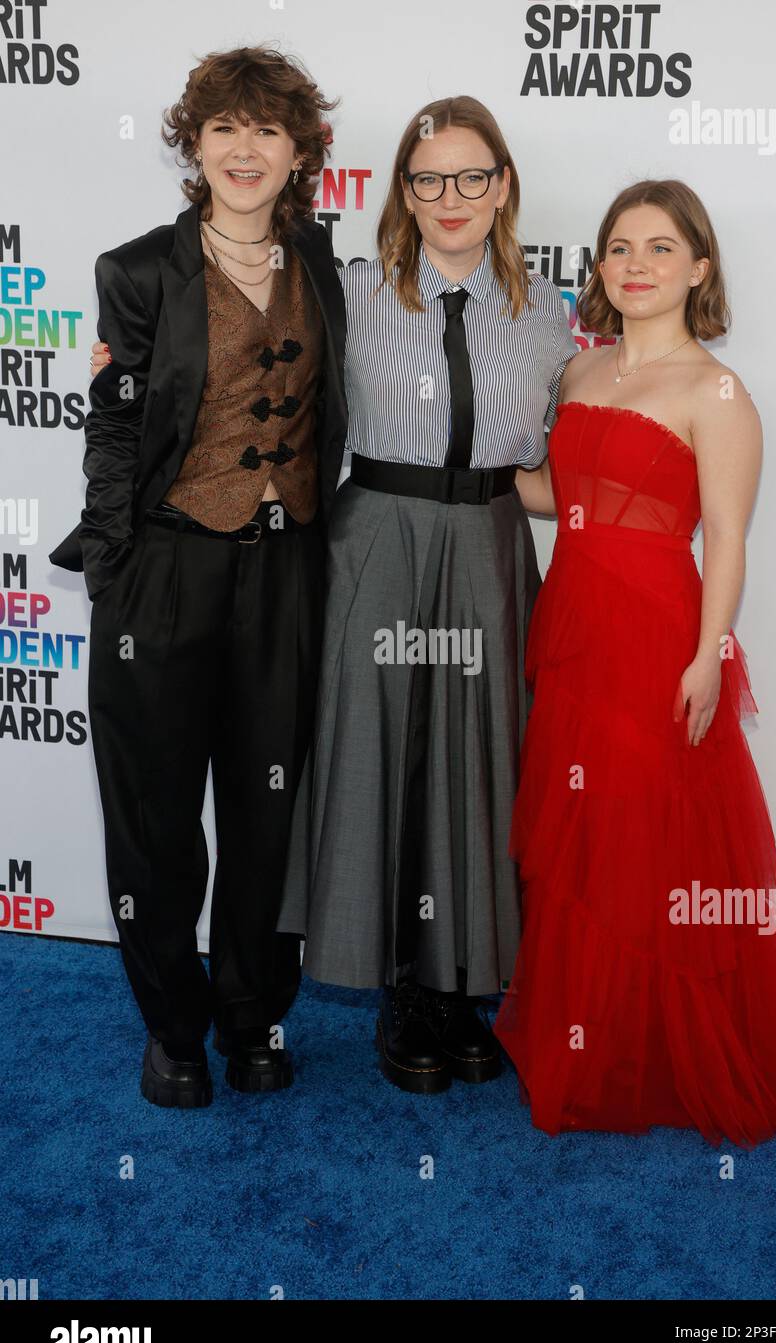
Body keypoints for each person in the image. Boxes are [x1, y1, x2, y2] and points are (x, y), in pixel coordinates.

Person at [496, 179, 776, 1146]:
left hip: (658, 635)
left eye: (659, 248)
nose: (636, 265)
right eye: (619, 248)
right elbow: (550, 494)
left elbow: (726, 540)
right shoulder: (576, 374)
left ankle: (655, 1047)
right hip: (570, 624)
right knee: (582, 836)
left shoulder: (714, 391)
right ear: (599, 270)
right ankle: (590, 1034)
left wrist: (707, 657)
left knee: (653, 837)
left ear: (698, 268)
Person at [49, 46, 347, 1109]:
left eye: (267, 128)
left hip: (287, 576)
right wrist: (117, 565)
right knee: (157, 816)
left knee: (273, 815)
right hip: (166, 572)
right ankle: (174, 1026)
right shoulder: (136, 271)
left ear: (301, 148)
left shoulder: (325, 266)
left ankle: (253, 1012)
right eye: (224, 127)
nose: (244, 148)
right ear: (196, 143)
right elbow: (117, 426)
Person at [286, 96, 578, 1094]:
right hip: (378, 541)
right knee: (382, 756)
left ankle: (461, 991)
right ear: (403, 193)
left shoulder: (547, 312)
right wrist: (133, 368)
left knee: (478, 765)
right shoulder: (352, 292)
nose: (450, 198)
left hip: (491, 544)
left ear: (503, 186)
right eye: (428, 179)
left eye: (471, 176)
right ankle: (402, 991)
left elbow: (564, 455)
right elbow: (257, 370)